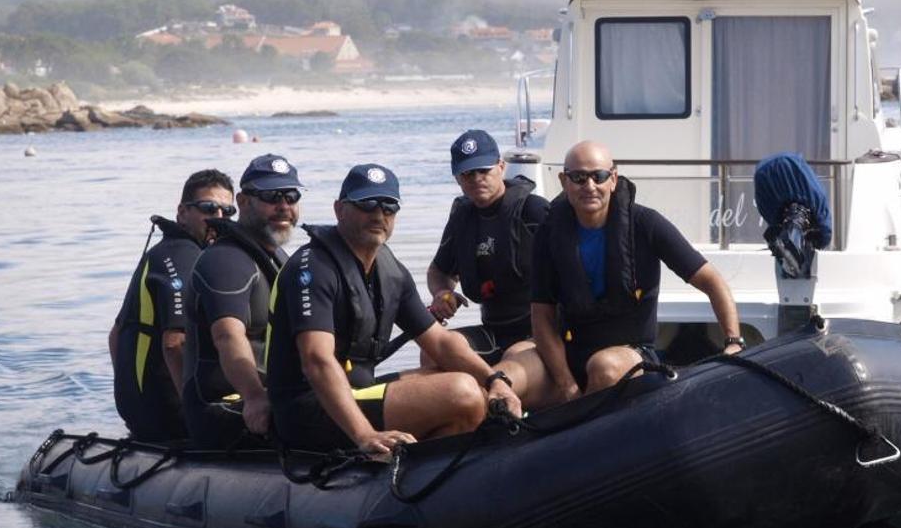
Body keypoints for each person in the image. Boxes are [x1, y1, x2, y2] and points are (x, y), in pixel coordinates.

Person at [266, 163, 522, 460]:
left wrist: (495, 380)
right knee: (461, 392)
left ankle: (426, 470)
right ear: (339, 210)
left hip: (359, 390)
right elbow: (316, 360)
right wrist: (365, 435)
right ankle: (403, 468)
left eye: (389, 206)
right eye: (367, 204)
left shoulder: (389, 270)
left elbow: (439, 342)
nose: (379, 214)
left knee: (469, 380)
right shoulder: (312, 269)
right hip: (308, 407)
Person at [530, 140, 744, 401]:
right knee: (513, 371)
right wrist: (566, 384)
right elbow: (542, 315)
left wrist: (734, 341)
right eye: (578, 177)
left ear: (613, 179)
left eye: (598, 176)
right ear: (564, 181)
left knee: (604, 367)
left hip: (631, 354)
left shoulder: (646, 224)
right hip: (571, 353)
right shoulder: (550, 231)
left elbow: (712, 282)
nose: (589, 186)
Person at [182, 154, 303, 450]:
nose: (283, 206)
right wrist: (254, 396)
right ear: (244, 201)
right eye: (272, 196)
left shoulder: (278, 258)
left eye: (291, 196)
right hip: (224, 407)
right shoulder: (225, 260)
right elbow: (227, 335)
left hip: (274, 394)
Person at [424, 130, 553, 400]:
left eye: (483, 170)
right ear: (458, 178)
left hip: (536, 332)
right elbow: (439, 271)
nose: (476, 180)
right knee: (433, 349)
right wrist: (442, 293)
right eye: (467, 174)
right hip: (493, 330)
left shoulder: (533, 211)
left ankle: (500, 412)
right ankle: (453, 421)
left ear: (501, 167)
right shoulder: (462, 218)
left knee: (511, 360)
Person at [109, 169, 235, 441]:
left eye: (228, 211)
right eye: (209, 208)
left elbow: (116, 336)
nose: (219, 218)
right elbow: (174, 343)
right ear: (182, 213)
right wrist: (196, 415)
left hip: (141, 413)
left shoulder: (163, 252)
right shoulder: (183, 257)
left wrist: (132, 397)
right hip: (170, 415)